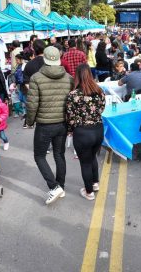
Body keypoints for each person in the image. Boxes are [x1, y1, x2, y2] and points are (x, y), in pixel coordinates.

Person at [26, 46, 74, 205]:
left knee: (39, 156)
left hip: (45, 124)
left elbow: (32, 105)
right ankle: (61, 185)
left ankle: (54, 187)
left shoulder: (36, 78)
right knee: (59, 155)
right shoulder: (68, 77)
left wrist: (30, 121)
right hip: (62, 123)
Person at [65, 64, 105, 201]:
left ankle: (89, 192)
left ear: (77, 76)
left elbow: (69, 115)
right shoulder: (99, 91)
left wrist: (70, 130)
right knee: (93, 157)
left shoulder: (73, 95)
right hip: (98, 129)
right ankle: (95, 184)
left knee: (85, 163)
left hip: (82, 132)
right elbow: (102, 109)